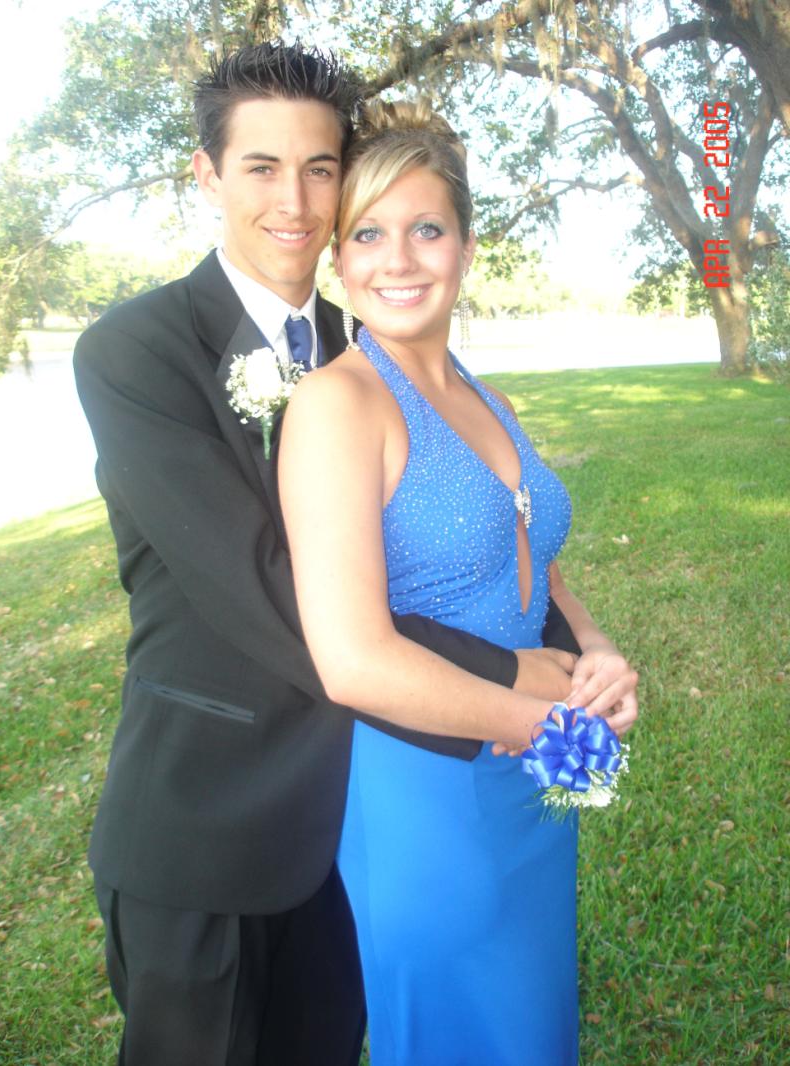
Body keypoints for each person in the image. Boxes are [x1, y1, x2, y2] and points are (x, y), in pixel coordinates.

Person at [73, 43, 586, 1066]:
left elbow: (484, 518)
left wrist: (579, 648)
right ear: (207, 174)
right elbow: (268, 590)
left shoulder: (374, 338)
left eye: (319, 168)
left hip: (361, 814)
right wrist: (514, 681)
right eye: (261, 167)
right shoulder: (137, 352)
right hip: (212, 823)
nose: (295, 200)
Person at [278, 98, 639, 1066]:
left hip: (531, 778)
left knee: (533, 1030)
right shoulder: (338, 405)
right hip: (425, 792)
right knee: (456, 1035)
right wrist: (552, 726)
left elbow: (533, 557)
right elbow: (352, 662)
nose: (397, 259)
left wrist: (594, 650)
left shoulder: (490, 397)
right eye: (367, 234)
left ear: (467, 247)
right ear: (337, 259)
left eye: (426, 229)